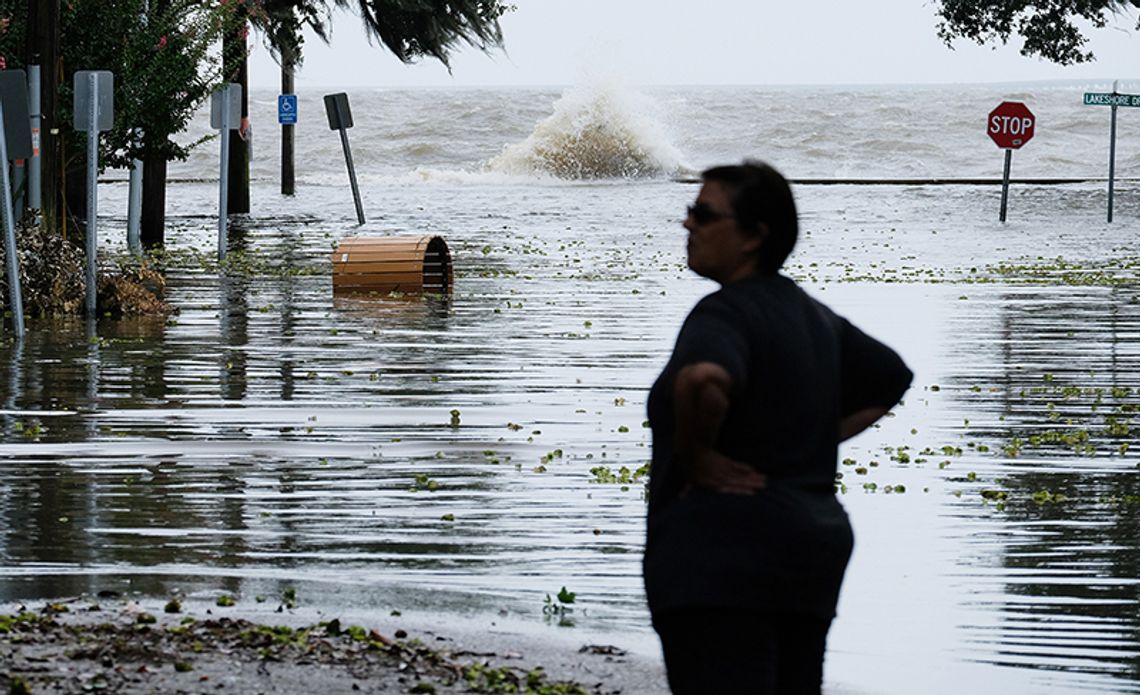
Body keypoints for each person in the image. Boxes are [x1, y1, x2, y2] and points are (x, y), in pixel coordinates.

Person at [644, 161, 913, 694]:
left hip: (722, 556)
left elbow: (703, 379)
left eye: (703, 213)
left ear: (753, 237)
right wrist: (813, 436)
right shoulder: (814, 316)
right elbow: (891, 377)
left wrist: (697, 458)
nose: (687, 224)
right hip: (809, 552)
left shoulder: (723, 314)